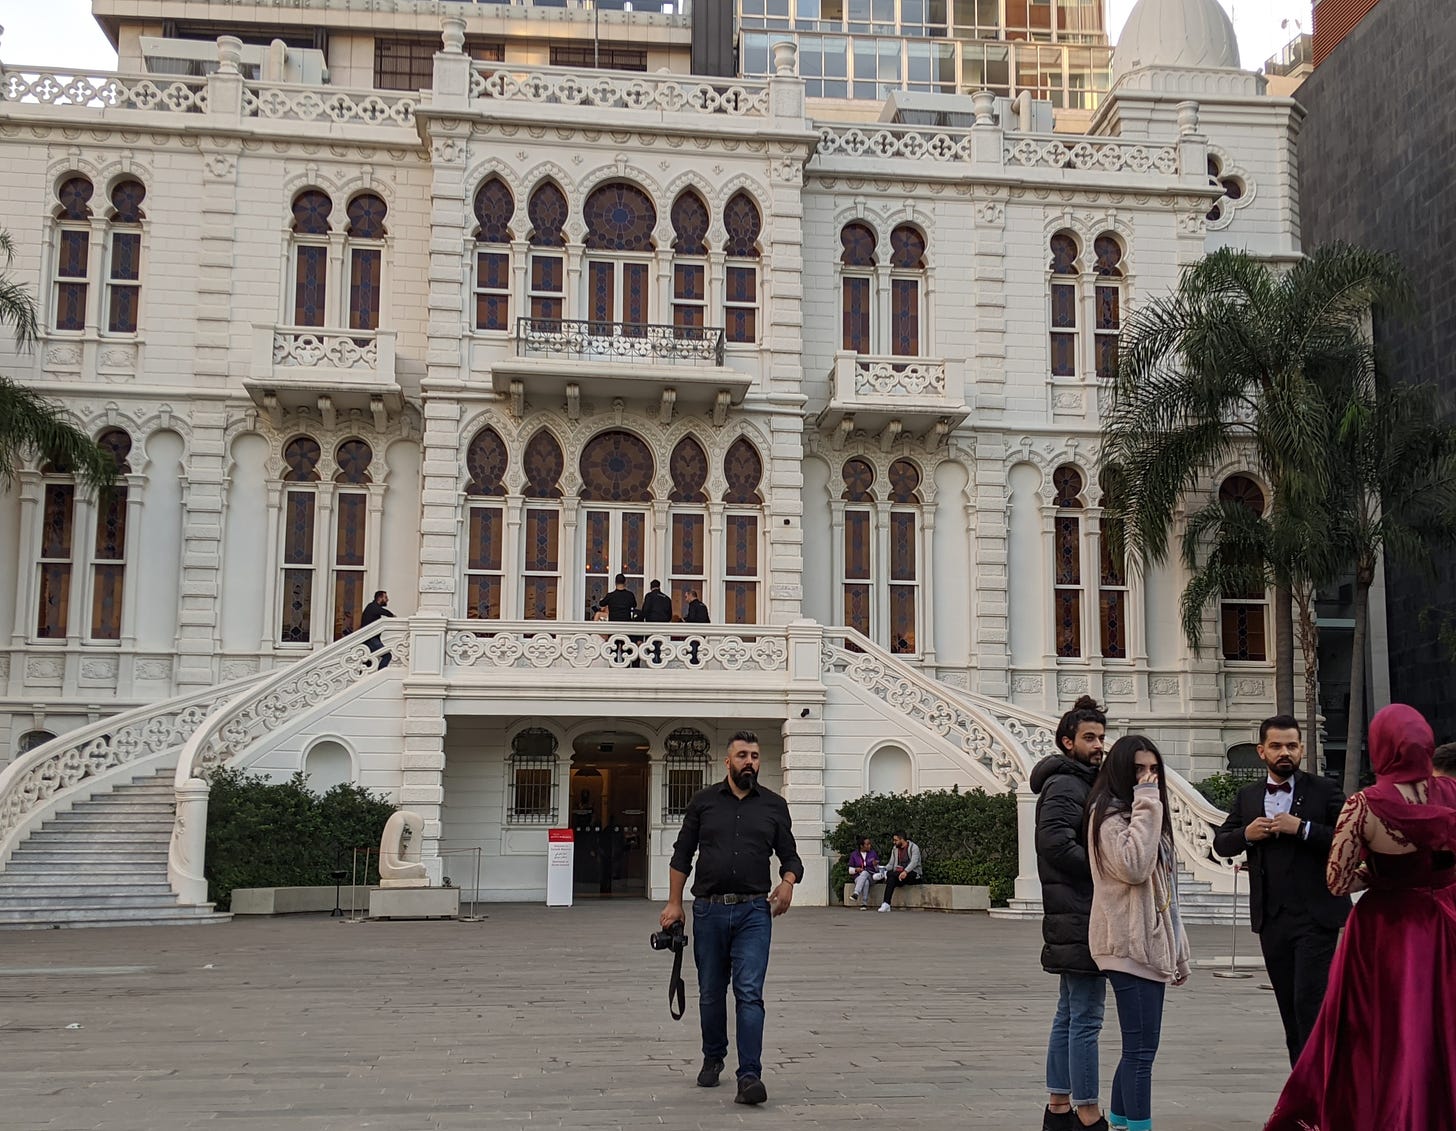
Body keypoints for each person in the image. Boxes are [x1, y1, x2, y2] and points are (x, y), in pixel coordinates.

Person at [1265, 704, 1456, 1131]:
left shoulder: (1365, 805)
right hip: (1444, 922)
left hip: (1387, 928)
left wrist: (1378, 872)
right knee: (1438, 1027)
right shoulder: (1450, 794)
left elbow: (1337, 880)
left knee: (1383, 1032)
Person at [662, 731, 801, 1107]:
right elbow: (681, 855)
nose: (750, 762)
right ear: (728, 762)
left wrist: (788, 882)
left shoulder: (774, 806)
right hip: (708, 910)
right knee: (710, 992)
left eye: (755, 756)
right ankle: (713, 1055)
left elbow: (791, 856)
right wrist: (675, 904)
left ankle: (750, 1075)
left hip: (755, 911)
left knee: (749, 993)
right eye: (742, 755)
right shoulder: (704, 802)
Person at [1212, 715, 1349, 1066]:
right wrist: (1247, 834)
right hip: (1272, 919)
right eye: (1276, 746)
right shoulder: (1249, 796)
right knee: (1289, 1010)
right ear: (1262, 751)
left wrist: (1301, 828)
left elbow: (1348, 840)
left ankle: (1320, 1092)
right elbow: (1221, 844)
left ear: (1302, 749)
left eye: (1291, 745)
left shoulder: (1325, 790)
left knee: (1310, 1005)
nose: (1285, 752)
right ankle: (1300, 1096)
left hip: (1316, 917)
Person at [1086, 736, 1190, 1131]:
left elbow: (1166, 893)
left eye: (1153, 770)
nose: (1148, 778)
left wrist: (1178, 952)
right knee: (1141, 1052)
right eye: (1137, 771)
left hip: (1149, 945)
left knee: (1137, 1051)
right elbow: (1133, 867)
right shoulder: (1109, 816)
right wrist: (1148, 800)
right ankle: (1138, 1127)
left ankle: (1120, 1122)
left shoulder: (1142, 815)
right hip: (1126, 944)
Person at [1032, 694, 1110, 1131]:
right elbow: (1057, 846)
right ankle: (1087, 1111)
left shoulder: (1083, 782)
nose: (1098, 744)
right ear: (1067, 742)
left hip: (1077, 912)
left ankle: (1059, 1105)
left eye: (1101, 736)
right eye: (1089, 738)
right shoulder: (1066, 786)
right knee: (1087, 1016)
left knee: (1071, 1010)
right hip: (1079, 912)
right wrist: (1108, 868)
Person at [876, 832, 921, 912]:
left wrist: (905, 871)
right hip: (899, 875)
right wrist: (884, 868)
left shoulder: (914, 847)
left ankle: (885, 875)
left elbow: (914, 863)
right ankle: (886, 904)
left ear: (902, 839)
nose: (894, 842)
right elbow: (891, 864)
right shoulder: (895, 849)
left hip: (913, 874)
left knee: (891, 875)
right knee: (891, 878)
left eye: (896, 840)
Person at [360, 590, 394, 669]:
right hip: (371, 637)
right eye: (385, 597)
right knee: (387, 655)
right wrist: (393, 616)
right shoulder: (372, 607)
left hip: (370, 637)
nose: (387, 600)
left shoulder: (372, 607)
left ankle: (364, 678)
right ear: (380, 598)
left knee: (368, 660)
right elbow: (385, 612)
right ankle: (381, 673)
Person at [847, 836, 883, 909]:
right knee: (865, 882)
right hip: (858, 877)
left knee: (865, 873)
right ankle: (864, 903)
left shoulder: (873, 853)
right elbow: (850, 870)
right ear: (861, 846)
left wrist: (875, 865)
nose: (869, 846)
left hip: (872, 876)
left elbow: (878, 870)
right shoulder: (854, 855)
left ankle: (856, 893)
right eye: (867, 844)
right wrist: (856, 870)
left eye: (870, 844)